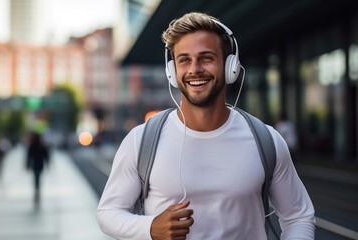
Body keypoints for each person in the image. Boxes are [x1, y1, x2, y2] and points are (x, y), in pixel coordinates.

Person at [97, 12, 315, 239]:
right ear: (172, 72)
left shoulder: (266, 140)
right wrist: (150, 228)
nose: (195, 69)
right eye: (184, 60)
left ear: (230, 66)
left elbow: (299, 216)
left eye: (206, 58)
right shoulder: (141, 140)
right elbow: (108, 213)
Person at [26, 132, 49, 207]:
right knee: (38, 179)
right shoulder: (42, 146)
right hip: (40, 165)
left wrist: (27, 165)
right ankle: (37, 192)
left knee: (36, 179)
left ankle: (36, 192)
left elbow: (29, 157)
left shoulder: (32, 146)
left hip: (35, 165)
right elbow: (46, 156)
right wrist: (48, 164)